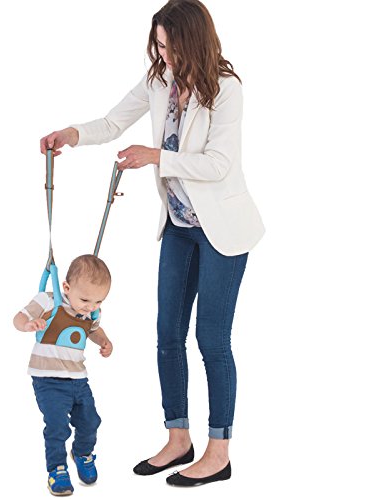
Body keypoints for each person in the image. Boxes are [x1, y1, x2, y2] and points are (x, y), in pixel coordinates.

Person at [39, 0, 264, 488]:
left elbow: (218, 164)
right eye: (158, 45)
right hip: (179, 226)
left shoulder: (226, 88)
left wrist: (156, 156)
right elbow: (113, 122)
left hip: (224, 231)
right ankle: (178, 438)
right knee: (167, 336)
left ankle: (219, 453)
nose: (163, 55)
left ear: (194, 42)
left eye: (171, 46)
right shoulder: (160, 79)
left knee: (212, 340)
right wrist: (71, 134)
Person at [13, 255, 113, 496]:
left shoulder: (92, 313)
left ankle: (82, 453)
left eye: (99, 301)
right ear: (66, 288)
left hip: (78, 379)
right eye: (85, 300)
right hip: (48, 380)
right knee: (57, 425)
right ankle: (57, 469)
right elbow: (18, 318)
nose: (91, 307)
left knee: (90, 421)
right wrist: (28, 325)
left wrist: (104, 341)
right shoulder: (48, 301)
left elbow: (94, 331)